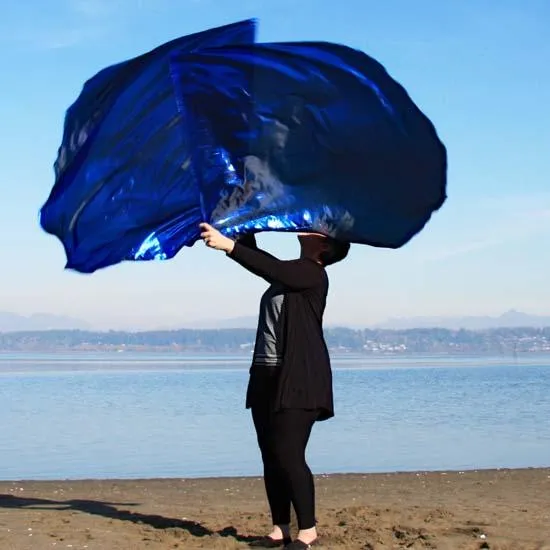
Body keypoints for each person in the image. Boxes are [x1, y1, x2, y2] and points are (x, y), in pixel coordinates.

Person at [199, 222, 350, 550]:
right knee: (270, 455)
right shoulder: (289, 274)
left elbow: (271, 267)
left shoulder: (313, 274)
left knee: (288, 454)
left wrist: (229, 246)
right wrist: (238, 227)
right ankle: (280, 527)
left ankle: (307, 531)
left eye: (319, 229)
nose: (309, 226)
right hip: (266, 376)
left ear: (324, 247)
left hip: (299, 379)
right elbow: (261, 261)